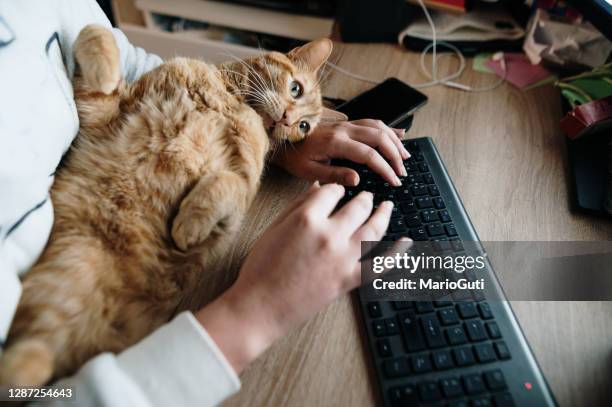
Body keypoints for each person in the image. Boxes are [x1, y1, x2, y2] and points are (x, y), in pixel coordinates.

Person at [0, 1, 409, 405]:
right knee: (29, 368)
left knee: (36, 356)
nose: (290, 117)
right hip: (99, 257)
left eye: (301, 124)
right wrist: (261, 309)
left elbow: (135, 70)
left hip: (112, 236)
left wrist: (285, 141)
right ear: (290, 57)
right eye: (296, 91)